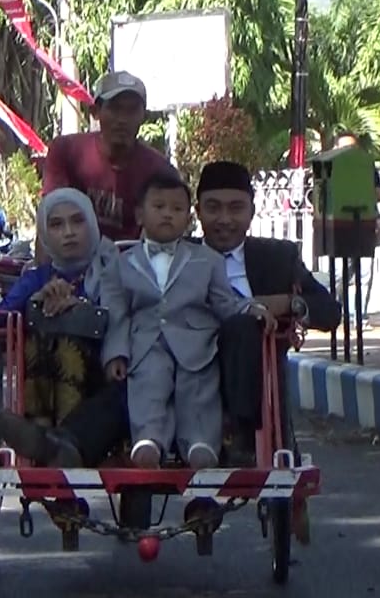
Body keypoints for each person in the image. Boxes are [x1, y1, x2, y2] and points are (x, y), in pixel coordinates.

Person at [101, 172, 272, 470]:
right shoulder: (120, 263)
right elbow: (116, 312)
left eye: (177, 209)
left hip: (197, 341)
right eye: (159, 206)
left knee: (198, 390)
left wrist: (250, 309)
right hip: (145, 343)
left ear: (189, 218)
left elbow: (224, 302)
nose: (168, 214)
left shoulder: (207, 260)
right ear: (140, 213)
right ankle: (149, 441)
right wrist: (116, 353)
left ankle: (200, 443)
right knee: (149, 386)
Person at [194, 161, 342, 464]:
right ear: (197, 211)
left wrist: (288, 303)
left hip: (259, 378)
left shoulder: (276, 257)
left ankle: (241, 434)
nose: (224, 219)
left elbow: (330, 311)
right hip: (190, 370)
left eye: (235, 208)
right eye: (213, 208)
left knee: (245, 326)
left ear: (252, 211)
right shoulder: (179, 254)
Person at [0, 189, 125, 464]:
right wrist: (37, 301)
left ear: (92, 223)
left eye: (78, 221)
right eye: (56, 225)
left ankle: (61, 440)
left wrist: (82, 307)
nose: (68, 232)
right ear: (44, 233)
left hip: (101, 380)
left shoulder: (113, 271)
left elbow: (122, 316)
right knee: (35, 342)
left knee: (66, 346)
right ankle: (39, 432)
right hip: (43, 375)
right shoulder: (38, 277)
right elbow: (0, 318)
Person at [40, 71, 178, 242]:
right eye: (115, 108)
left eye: (132, 110)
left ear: (144, 116)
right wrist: (42, 268)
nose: (122, 119)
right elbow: (49, 216)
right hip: (74, 259)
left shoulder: (160, 169)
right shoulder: (65, 151)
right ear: (95, 112)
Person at [333, 132, 380, 325]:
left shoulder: (366, 167)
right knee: (339, 273)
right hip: (339, 227)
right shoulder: (330, 169)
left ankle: (360, 315)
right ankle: (334, 311)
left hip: (364, 224)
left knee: (365, 273)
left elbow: (379, 192)